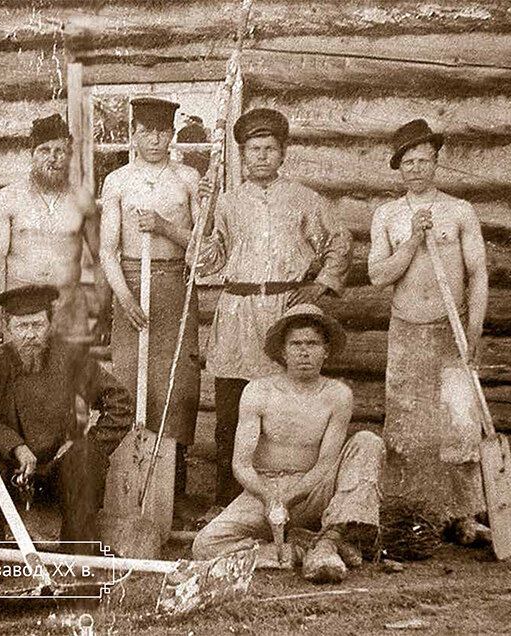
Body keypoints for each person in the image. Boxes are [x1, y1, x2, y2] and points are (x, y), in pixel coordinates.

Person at [193, 108, 353, 509]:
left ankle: (284, 501)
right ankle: (227, 502)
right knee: (230, 415)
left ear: (282, 154)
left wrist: (319, 287)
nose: (261, 156)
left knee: (277, 413)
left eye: (269, 149)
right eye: (253, 150)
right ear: (243, 155)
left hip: (283, 309)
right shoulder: (227, 202)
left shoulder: (303, 200)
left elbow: (340, 240)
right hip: (236, 311)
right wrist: (201, 216)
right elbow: (207, 261)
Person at [192, 304, 384, 583]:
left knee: (368, 441)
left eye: (312, 344)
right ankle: (295, 550)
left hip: (314, 489)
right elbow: (242, 464)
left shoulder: (337, 395)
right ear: (282, 351)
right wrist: (270, 497)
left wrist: (291, 495)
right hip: (265, 489)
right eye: (296, 344)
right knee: (205, 545)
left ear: (326, 350)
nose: (304, 351)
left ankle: (329, 540)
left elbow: (325, 464)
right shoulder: (258, 391)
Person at [368, 118, 490, 543]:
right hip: (406, 330)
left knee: (459, 424)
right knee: (405, 425)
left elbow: (477, 274)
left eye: (424, 160)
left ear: (436, 163)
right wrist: (412, 242)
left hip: (451, 328)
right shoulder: (388, 214)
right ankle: (410, 514)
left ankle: (465, 517)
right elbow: (379, 276)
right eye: (408, 162)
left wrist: (473, 333)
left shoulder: (459, 210)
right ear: (398, 168)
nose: (416, 168)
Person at [0, 285, 133, 554]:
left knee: (87, 456)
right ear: (7, 328)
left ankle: (77, 558)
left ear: (50, 324)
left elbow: (119, 400)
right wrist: (14, 446)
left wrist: (85, 443)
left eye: (37, 325)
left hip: (57, 475)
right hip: (7, 477)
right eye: (21, 327)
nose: (30, 335)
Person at [99, 97, 202, 498]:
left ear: (172, 135)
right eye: (146, 131)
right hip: (129, 284)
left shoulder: (189, 179)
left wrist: (164, 226)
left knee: (175, 382)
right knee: (128, 381)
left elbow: (201, 246)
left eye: (162, 131)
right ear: (134, 135)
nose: (154, 139)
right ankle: (126, 484)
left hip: (174, 283)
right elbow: (107, 248)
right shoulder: (118, 180)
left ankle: (170, 488)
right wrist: (123, 298)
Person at [0, 114, 108, 350]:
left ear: (69, 155)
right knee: (20, 380)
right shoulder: (8, 198)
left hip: (68, 310)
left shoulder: (82, 199)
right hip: (21, 309)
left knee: (67, 381)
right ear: (31, 154)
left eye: (60, 151)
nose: (53, 158)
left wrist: (103, 314)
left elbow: (100, 259)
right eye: (44, 150)